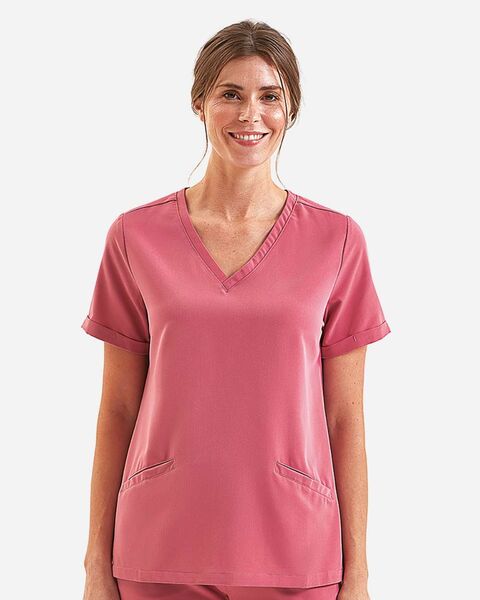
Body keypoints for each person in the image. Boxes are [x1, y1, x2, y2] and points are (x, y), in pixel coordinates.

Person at [81, 19, 391, 600]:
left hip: (296, 553)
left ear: (290, 110)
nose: (251, 114)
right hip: (159, 549)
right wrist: (96, 566)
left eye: (269, 96)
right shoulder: (135, 237)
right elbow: (117, 408)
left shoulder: (338, 241)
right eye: (231, 94)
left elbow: (346, 418)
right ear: (200, 103)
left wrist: (359, 575)